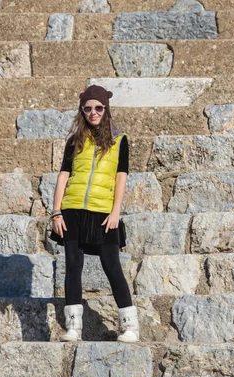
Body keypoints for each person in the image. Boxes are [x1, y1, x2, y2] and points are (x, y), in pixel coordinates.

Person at [50, 85, 139, 343]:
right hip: (73, 210)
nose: (93, 112)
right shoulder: (74, 141)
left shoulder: (120, 140)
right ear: (82, 111)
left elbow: (121, 178)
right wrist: (56, 213)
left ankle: (130, 325)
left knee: (112, 266)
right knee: (73, 266)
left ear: (106, 109)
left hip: (103, 213)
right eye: (87, 108)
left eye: (98, 107)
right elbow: (64, 176)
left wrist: (115, 212)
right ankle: (74, 327)